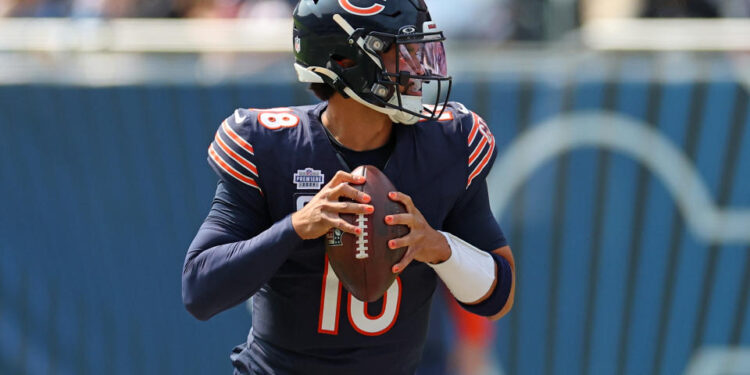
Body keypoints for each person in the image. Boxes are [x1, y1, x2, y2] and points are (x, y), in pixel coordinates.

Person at [181, 0, 516, 373]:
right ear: (344, 61)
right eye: (401, 52)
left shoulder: (448, 143)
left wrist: (439, 247)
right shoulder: (270, 146)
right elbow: (200, 291)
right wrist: (296, 227)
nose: (418, 68)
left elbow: (498, 295)